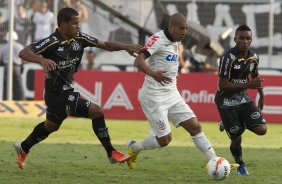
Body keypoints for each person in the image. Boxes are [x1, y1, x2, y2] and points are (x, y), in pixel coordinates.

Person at [15, 7, 143, 169]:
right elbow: (24, 52)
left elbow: (105, 44)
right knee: (96, 111)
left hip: (67, 91)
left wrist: (126, 46)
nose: (78, 26)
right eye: (74, 23)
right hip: (56, 96)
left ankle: (23, 147)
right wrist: (41, 60)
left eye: (79, 23)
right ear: (62, 24)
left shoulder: (80, 38)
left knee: (50, 126)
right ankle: (111, 152)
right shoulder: (52, 42)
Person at [126, 13, 217, 169]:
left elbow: (169, 61)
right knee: (164, 140)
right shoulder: (157, 40)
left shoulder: (176, 40)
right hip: (154, 97)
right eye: (181, 28)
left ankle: (215, 161)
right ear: (171, 27)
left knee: (195, 127)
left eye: (186, 29)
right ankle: (134, 147)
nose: (184, 32)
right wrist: (153, 74)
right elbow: (138, 60)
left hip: (172, 94)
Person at [214, 25, 267, 176]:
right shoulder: (228, 57)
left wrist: (261, 95)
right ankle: (240, 164)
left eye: (248, 38)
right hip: (225, 102)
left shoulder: (254, 57)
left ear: (251, 40)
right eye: (241, 38)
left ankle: (230, 122)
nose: (244, 41)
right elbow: (222, 84)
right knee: (237, 140)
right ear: (235, 39)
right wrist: (247, 85)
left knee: (262, 130)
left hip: (243, 99)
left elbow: (255, 77)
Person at [0, 31, 25, 100]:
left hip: (6, 66)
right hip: (17, 66)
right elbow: (23, 58)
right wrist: (21, 66)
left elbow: (1, 59)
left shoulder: (4, 47)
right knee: (18, 85)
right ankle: (20, 100)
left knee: (6, 84)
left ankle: (5, 100)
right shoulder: (20, 46)